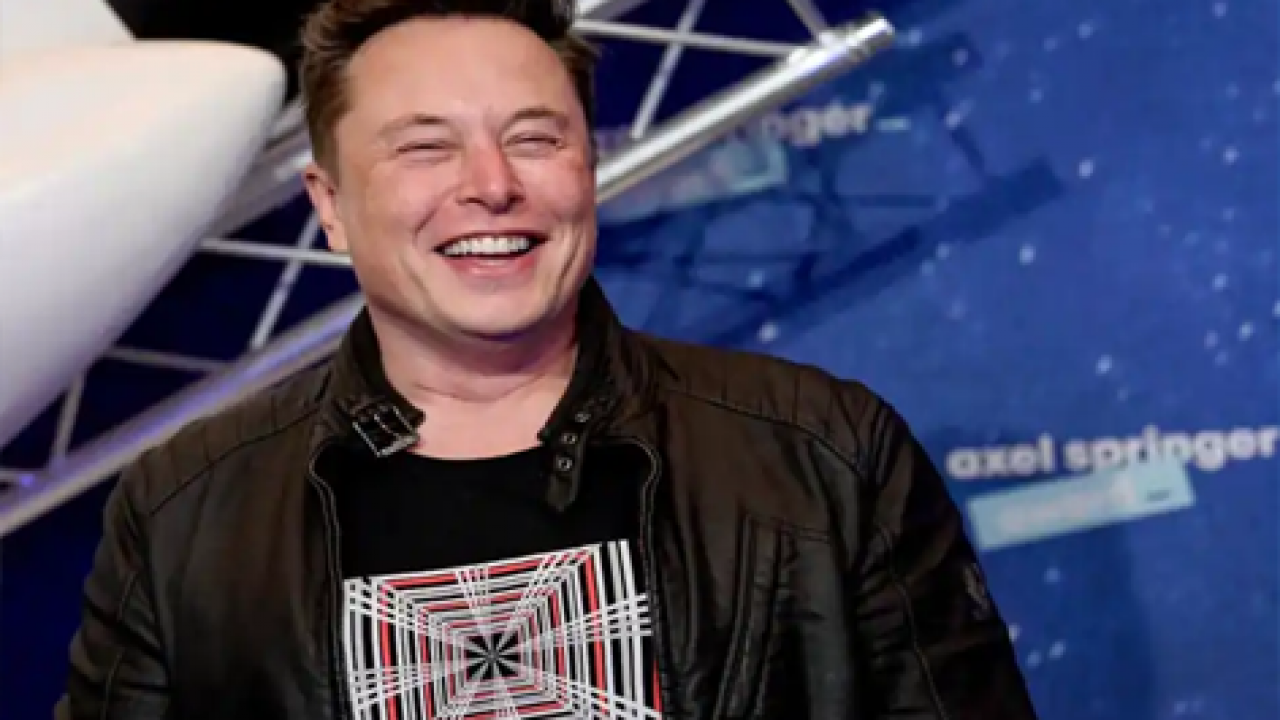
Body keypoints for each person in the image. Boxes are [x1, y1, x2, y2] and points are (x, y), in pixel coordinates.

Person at [57, 0, 1038, 717]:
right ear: (330, 206)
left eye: (534, 138)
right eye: (424, 148)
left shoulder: (822, 451)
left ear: (587, 167)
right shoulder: (186, 508)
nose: (491, 185)